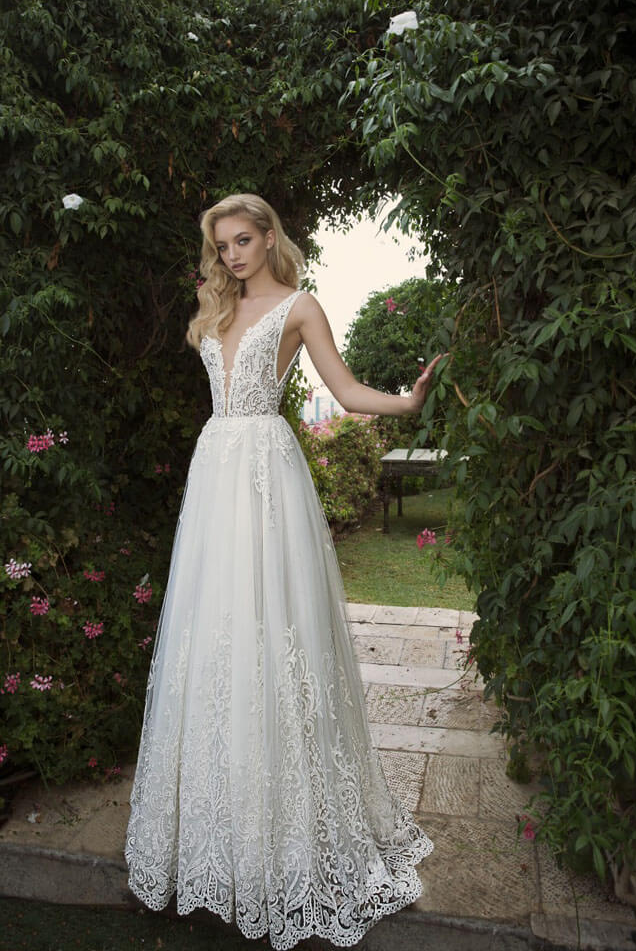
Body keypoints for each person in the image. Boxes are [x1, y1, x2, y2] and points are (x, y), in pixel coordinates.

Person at [124, 192, 445, 950]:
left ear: (269, 238)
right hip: (216, 473)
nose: (232, 255)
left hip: (267, 476)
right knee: (214, 632)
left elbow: (344, 391)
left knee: (274, 629)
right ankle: (213, 834)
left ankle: (288, 834)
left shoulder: (299, 307)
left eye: (242, 240)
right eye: (222, 245)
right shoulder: (214, 310)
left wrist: (407, 403)